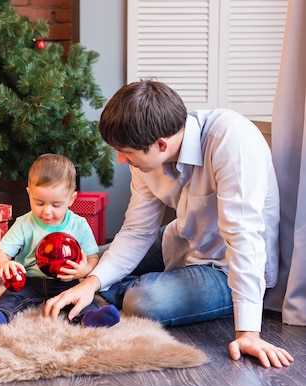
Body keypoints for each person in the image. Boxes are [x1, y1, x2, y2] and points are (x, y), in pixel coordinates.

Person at [43, 80, 294, 368]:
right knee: (89, 260)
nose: (121, 160)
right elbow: (137, 231)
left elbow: (243, 239)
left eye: (125, 152)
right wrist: (92, 280)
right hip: (184, 238)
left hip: (227, 266)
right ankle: (105, 289)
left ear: (161, 144)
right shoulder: (147, 155)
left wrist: (248, 333)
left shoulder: (231, 140)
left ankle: (120, 291)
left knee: (143, 301)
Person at [0, 154, 120, 327]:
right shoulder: (24, 224)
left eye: (56, 205)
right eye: (39, 203)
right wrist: (4, 265)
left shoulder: (79, 225)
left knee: (79, 298)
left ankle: (91, 317)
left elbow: (93, 258)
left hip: (66, 281)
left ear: (71, 199)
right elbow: (0, 254)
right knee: (11, 296)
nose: (47, 211)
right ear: (29, 193)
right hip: (30, 281)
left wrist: (84, 270)